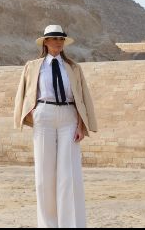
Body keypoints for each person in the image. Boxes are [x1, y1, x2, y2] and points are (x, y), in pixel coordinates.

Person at [13, 24, 98, 228]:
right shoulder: (32, 66)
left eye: (61, 39)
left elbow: (82, 97)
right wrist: (30, 114)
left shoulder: (74, 67)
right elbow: (22, 93)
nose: (58, 42)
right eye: (54, 39)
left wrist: (81, 124)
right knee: (44, 175)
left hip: (69, 116)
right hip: (44, 114)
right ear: (45, 42)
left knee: (69, 174)